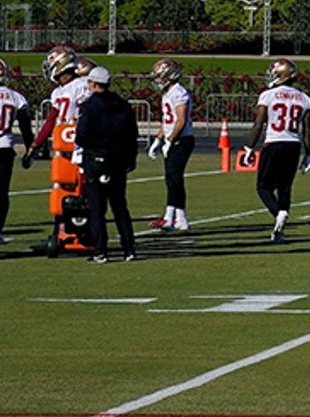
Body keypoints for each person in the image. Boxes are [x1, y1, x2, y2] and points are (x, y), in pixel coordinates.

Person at [29, 49, 94, 254]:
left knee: (82, 190)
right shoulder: (58, 92)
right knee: (61, 191)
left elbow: (89, 113)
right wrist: (36, 143)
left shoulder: (82, 86)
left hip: (80, 146)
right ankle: (59, 232)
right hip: (62, 147)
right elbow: (52, 119)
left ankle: (84, 232)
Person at [73, 66, 140, 263]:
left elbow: (82, 135)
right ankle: (129, 249)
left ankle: (100, 251)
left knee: (97, 208)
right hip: (119, 158)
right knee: (120, 207)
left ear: (93, 83)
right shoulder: (122, 104)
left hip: (96, 158)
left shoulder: (90, 106)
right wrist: (130, 158)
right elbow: (132, 134)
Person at [246, 58, 310, 243]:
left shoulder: (268, 95)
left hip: (273, 143)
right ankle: (280, 232)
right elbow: (307, 129)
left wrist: (249, 147)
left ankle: (279, 213)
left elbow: (259, 123)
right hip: (293, 145)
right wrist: (308, 154)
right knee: (285, 187)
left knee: (263, 187)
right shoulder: (304, 98)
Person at [147, 59, 196, 234]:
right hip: (173, 139)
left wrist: (170, 140)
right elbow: (167, 121)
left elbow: (181, 120)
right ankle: (178, 218)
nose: (158, 80)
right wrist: (158, 140)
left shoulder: (178, 92)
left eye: (161, 77)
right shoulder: (168, 94)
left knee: (174, 178)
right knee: (171, 179)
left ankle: (173, 217)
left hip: (181, 140)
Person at [0, 66, 27, 242]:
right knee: (2, 193)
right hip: (4, 147)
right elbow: (25, 124)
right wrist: (31, 148)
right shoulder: (15, 96)